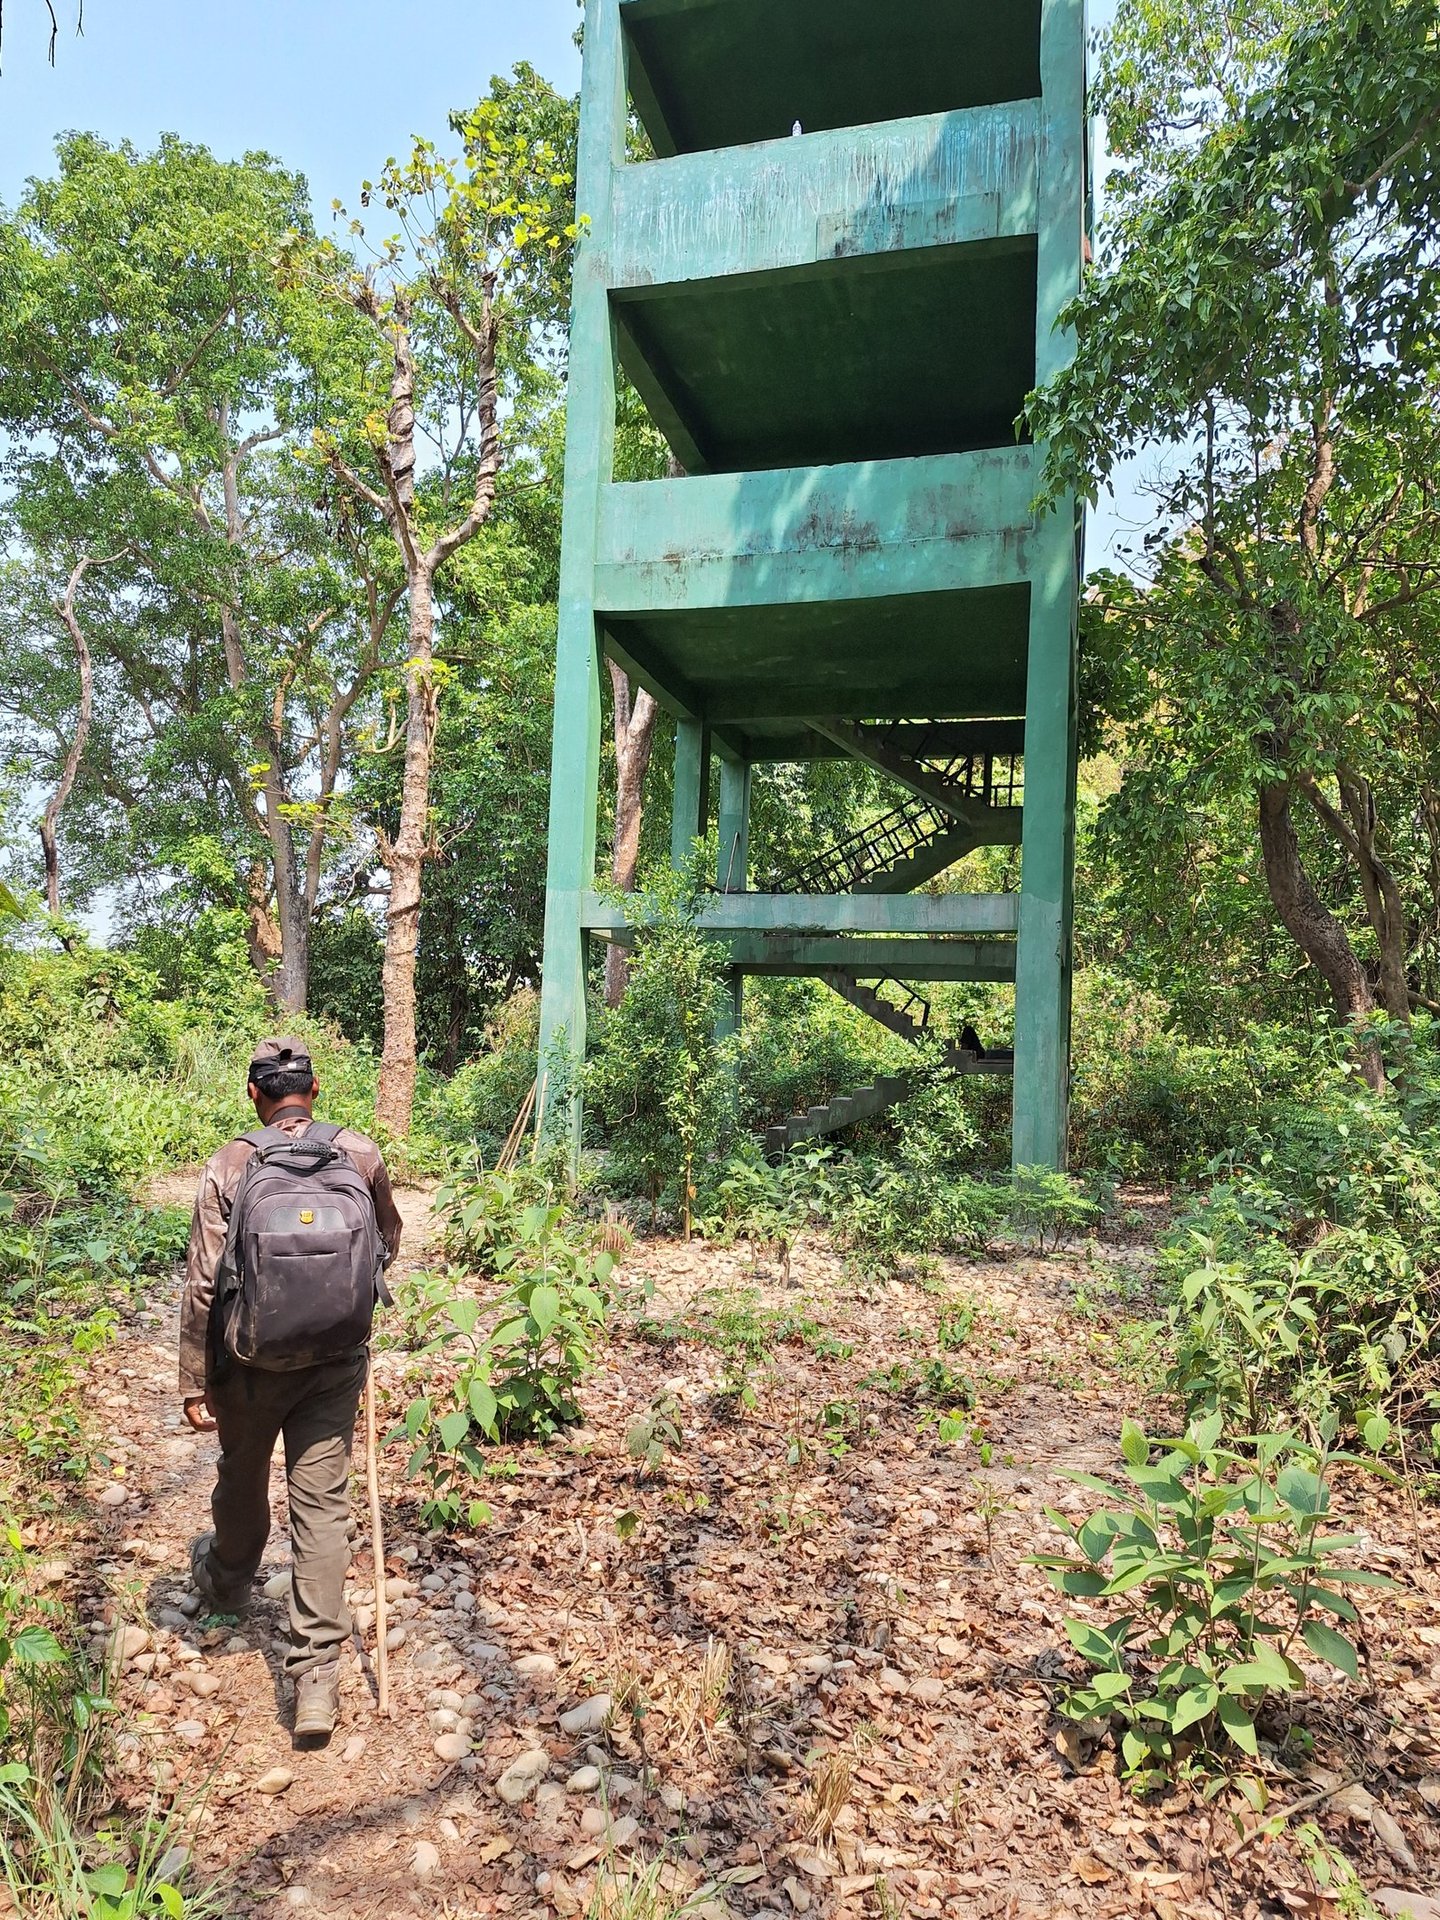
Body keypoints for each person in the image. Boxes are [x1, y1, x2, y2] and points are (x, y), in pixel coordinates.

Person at [179, 1037, 403, 1740]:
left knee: (241, 1480)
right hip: (335, 1361)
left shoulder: (230, 1162)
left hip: (248, 1365)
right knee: (322, 1508)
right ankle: (315, 1683)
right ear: (315, 1088)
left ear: (255, 1093)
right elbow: (386, 1242)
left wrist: (194, 1379)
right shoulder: (359, 1153)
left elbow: (204, 1283)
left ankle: (226, 1584)